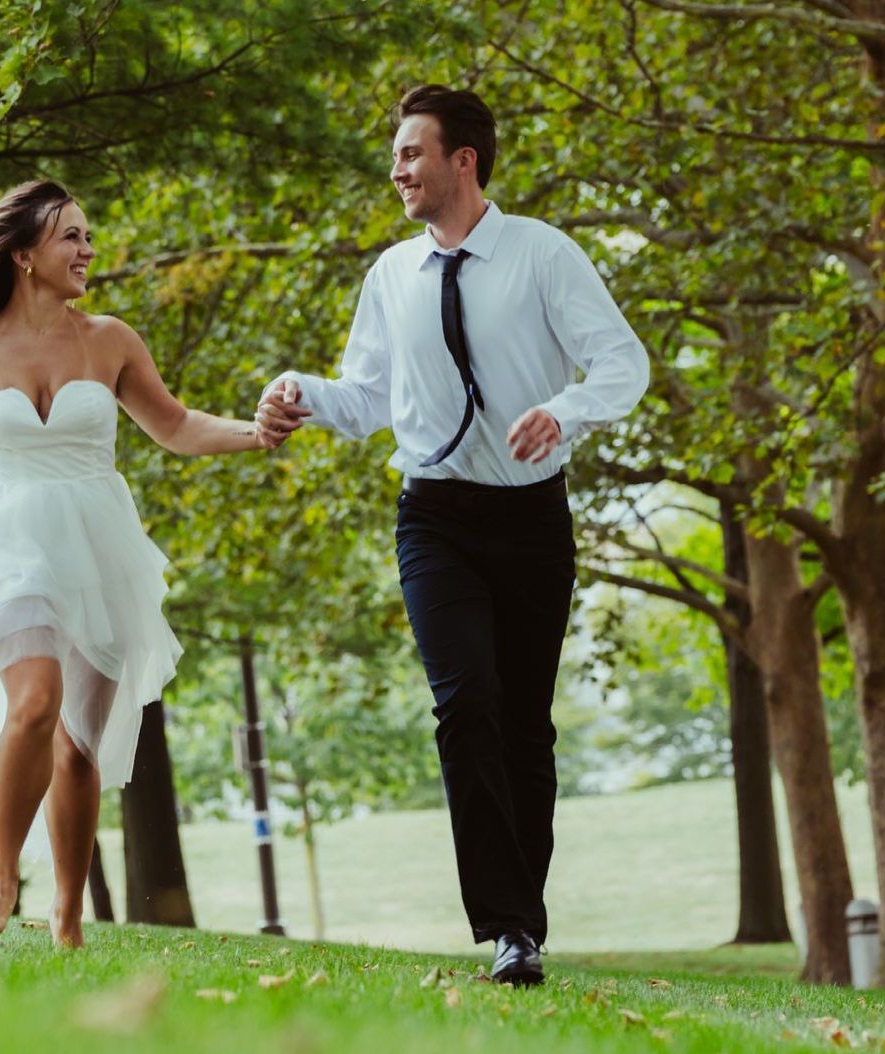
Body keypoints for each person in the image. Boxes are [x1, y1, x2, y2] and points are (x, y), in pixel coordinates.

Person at [255, 85, 650, 986]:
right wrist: (299, 392)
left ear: (461, 161)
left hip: (530, 519)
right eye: (396, 156)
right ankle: (508, 927)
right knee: (464, 701)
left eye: (409, 153)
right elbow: (366, 404)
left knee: (522, 728)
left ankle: (526, 925)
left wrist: (566, 410)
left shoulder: (545, 256)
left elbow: (624, 362)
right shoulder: (391, 275)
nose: (395, 170)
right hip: (432, 515)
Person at [0, 179, 279, 949]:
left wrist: (257, 433)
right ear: (24, 255)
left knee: (79, 743)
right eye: (71, 236)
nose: (88, 250)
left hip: (98, 546)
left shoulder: (109, 338)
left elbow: (173, 426)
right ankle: (4, 874)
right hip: (3, 543)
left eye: (86, 235)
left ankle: (69, 918)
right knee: (34, 702)